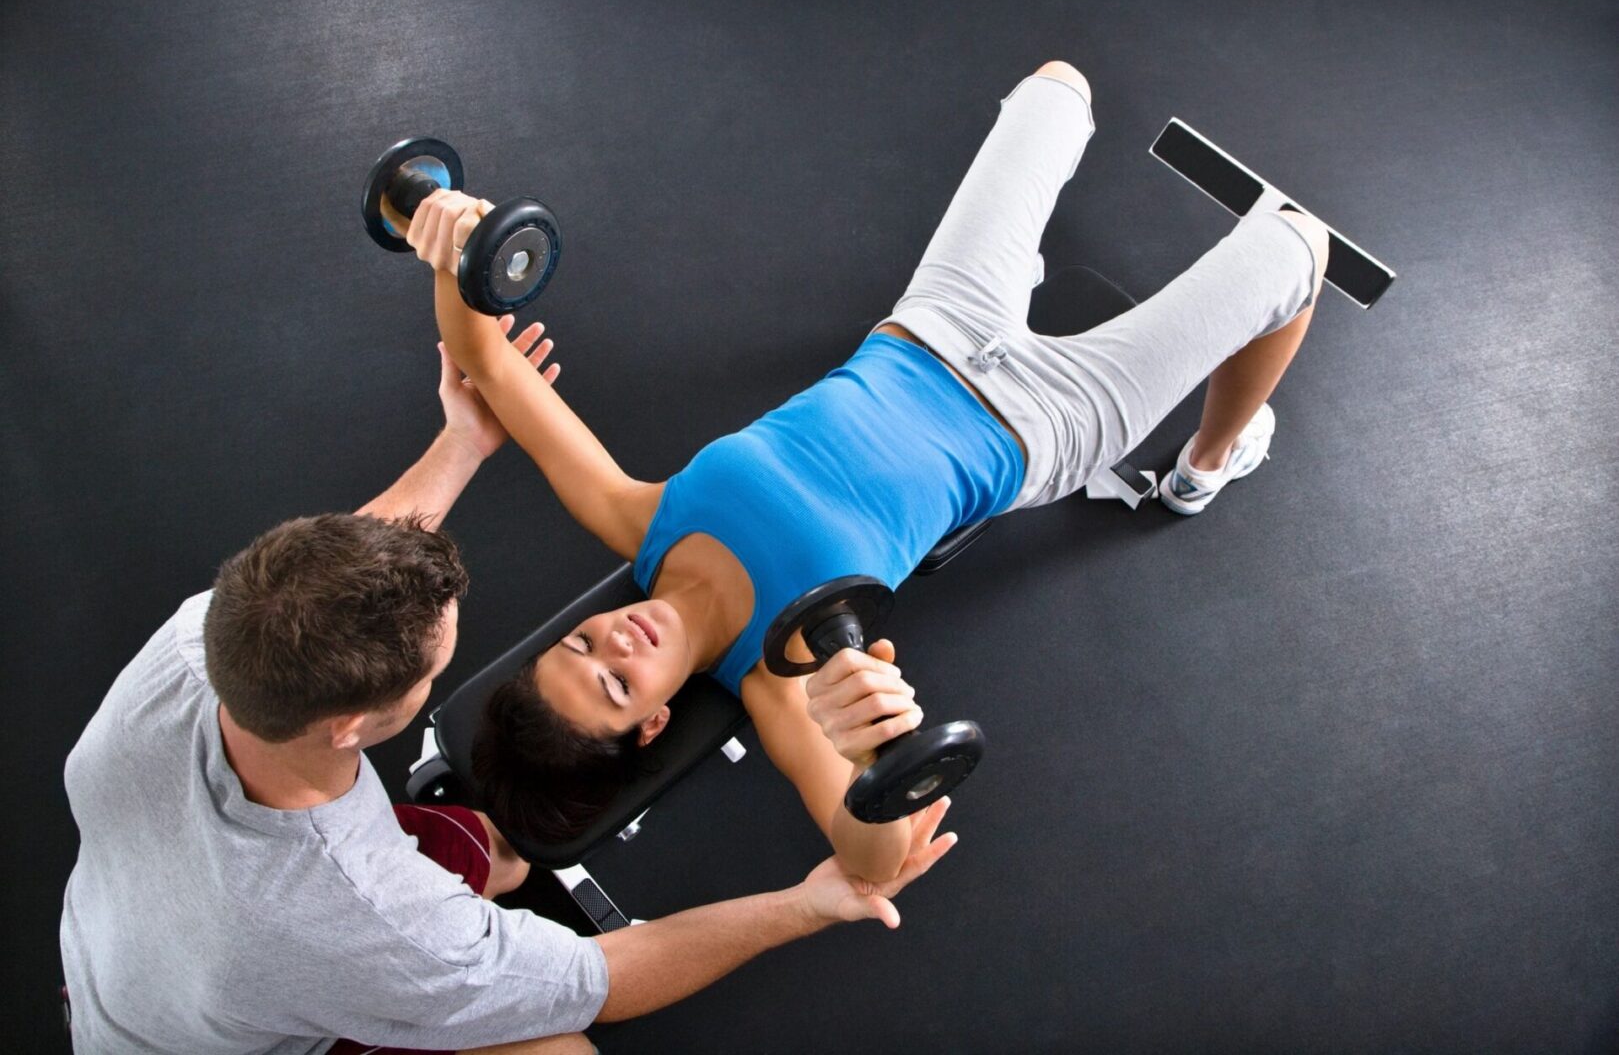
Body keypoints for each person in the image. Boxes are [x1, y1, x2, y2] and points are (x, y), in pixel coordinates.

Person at [415, 61, 1330, 884]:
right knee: (1301, 249)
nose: (616, 644)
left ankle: (1022, 286)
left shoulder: (637, 519)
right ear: (653, 723)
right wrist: (856, 752)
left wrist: (451, 245)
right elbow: (873, 855)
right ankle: (1203, 468)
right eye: (618, 687)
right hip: (1050, 420)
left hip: (933, 324)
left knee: (1058, 87)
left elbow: (491, 364)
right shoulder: (783, 681)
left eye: (581, 645)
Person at [58, 317, 956, 1055]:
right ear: (353, 725)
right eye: (437, 669)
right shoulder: (377, 923)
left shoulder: (197, 643)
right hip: (210, 1030)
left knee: (485, 851)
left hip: (123, 968)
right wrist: (803, 906)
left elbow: (333, 569)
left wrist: (461, 444)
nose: (608, 639)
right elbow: (600, 980)